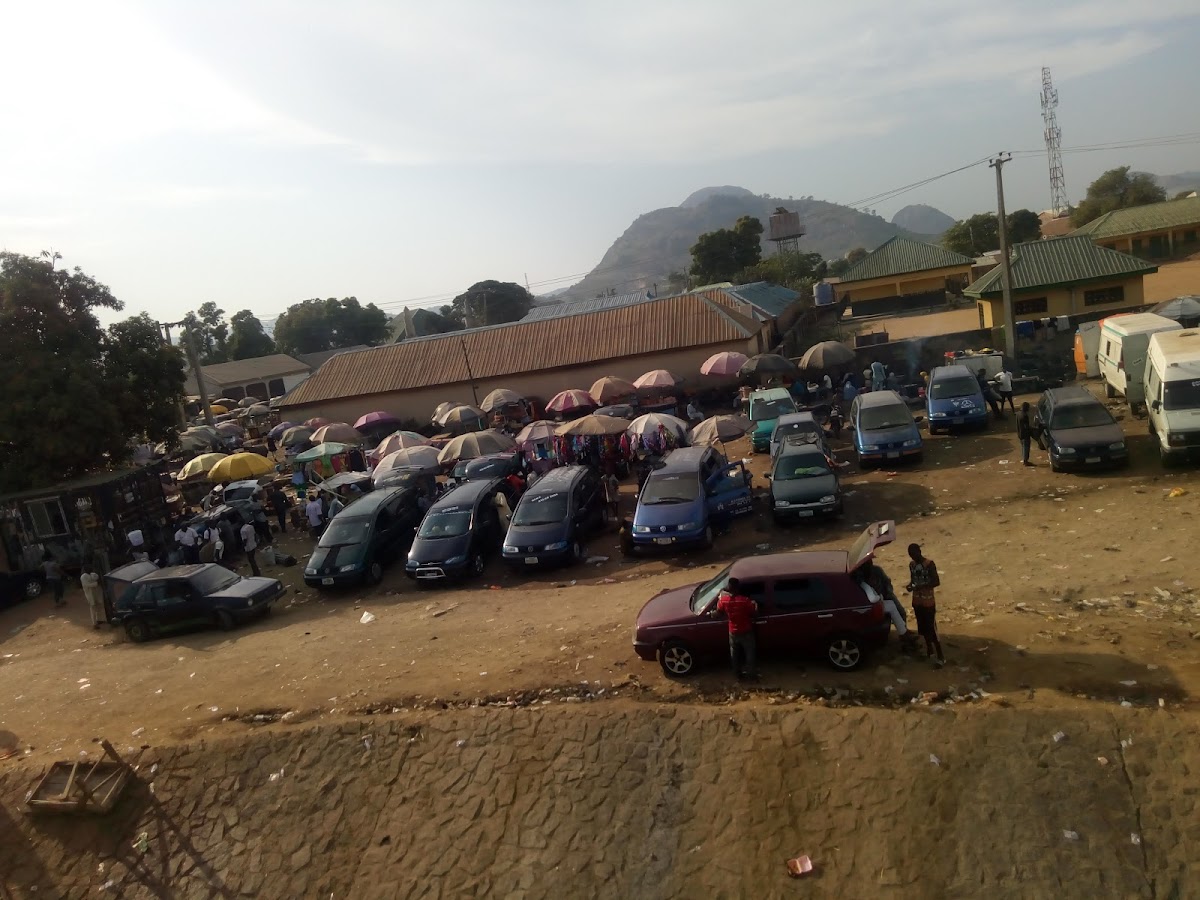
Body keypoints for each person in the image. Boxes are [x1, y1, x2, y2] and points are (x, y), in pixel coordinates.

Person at [859, 560, 918, 652]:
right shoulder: (860, 576)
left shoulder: (876, 570)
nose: (870, 566)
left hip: (885, 594)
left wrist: (888, 592)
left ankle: (904, 632)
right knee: (893, 610)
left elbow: (887, 582)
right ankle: (904, 635)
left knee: (901, 612)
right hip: (876, 601)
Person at [905, 543, 944, 667]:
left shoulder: (929, 564)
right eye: (911, 555)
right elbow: (913, 580)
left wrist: (921, 586)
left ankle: (940, 656)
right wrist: (910, 586)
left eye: (914, 554)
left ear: (919, 551)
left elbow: (936, 581)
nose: (912, 557)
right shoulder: (912, 565)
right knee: (922, 627)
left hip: (928, 602)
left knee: (931, 628)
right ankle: (930, 650)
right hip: (917, 601)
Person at [715, 577, 758, 680]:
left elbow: (718, 612)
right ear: (738, 588)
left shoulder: (724, 600)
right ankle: (751, 675)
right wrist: (755, 604)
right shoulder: (745, 601)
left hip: (733, 632)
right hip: (746, 631)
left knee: (734, 655)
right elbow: (754, 613)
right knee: (749, 653)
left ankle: (737, 675)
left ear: (729, 588)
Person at [1017, 402, 1035, 467]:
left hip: (1020, 433)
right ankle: (1025, 461)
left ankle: (1024, 460)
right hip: (1025, 434)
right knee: (1026, 448)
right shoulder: (1024, 416)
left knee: (1023, 447)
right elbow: (1026, 427)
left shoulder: (1018, 413)